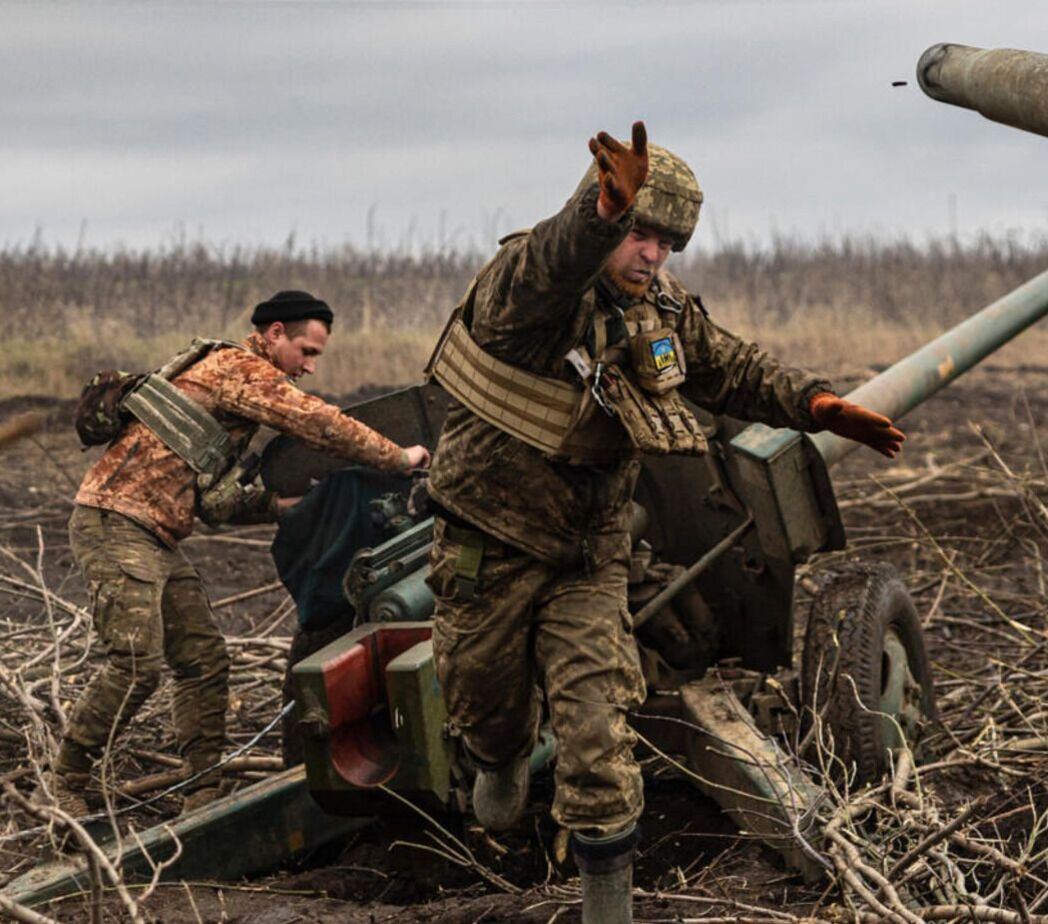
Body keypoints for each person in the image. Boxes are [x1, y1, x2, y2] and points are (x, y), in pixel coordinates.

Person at [421, 122, 903, 923]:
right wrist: (602, 211)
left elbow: (731, 368)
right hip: (488, 548)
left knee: (598, 745)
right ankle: (497, 758)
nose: (653, 254)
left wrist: (818, 404)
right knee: (487, 708)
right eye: (640, 234)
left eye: (667, 242)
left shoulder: (663, 309)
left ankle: (608, 910)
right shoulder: (526, 292)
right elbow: (553, 258)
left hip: (590, 556)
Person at [49, 291, 428, 818]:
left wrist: (278, 504)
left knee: (203, 660)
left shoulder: (227, 383)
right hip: (115, 523)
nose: (310, 367)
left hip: (155, 534)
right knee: (136, 664)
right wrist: (397, 456)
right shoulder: (239, 369)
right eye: (306, 351)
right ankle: (65, 782)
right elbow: (317, 423)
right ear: (274, 334)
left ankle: (202, 789)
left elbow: (214, 501)